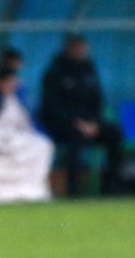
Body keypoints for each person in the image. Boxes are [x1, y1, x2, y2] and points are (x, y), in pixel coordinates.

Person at [37, 33, 126, 196]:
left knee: (115, 133)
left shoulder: (89, 69)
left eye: (83, 48)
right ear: (69, 49)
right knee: (76, 141)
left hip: (90, 124)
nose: (82, 51)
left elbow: (98, 101)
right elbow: (52, 107)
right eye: (78, 48)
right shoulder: (55, 72)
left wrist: (95, 123)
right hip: (64, 126)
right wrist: (76, 122)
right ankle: (74, 191)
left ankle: (113, 188)